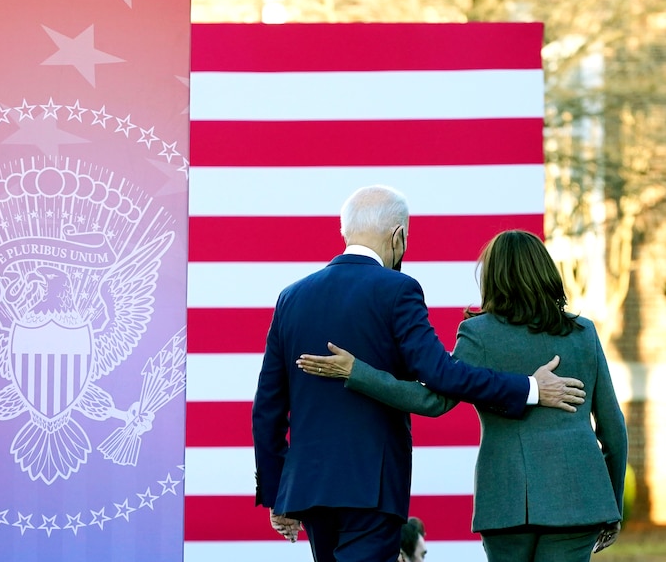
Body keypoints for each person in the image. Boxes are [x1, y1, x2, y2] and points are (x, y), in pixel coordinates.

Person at [252, 186, 586, 562]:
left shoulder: (292, 297)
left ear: (345, 232)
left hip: (308, 488)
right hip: (372, 487)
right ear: (398, 236)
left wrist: (278, 493)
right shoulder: (398, 289)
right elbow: (442, 375)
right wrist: (530, 388)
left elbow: (267, 408)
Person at [297, 229, 627, 562]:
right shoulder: (583, 333)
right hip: (579, 499)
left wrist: (358, 372)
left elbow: (433, 400)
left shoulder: (479, 333)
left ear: (493, 277)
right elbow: (613, 429)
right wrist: (613, 506)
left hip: (505, 503)